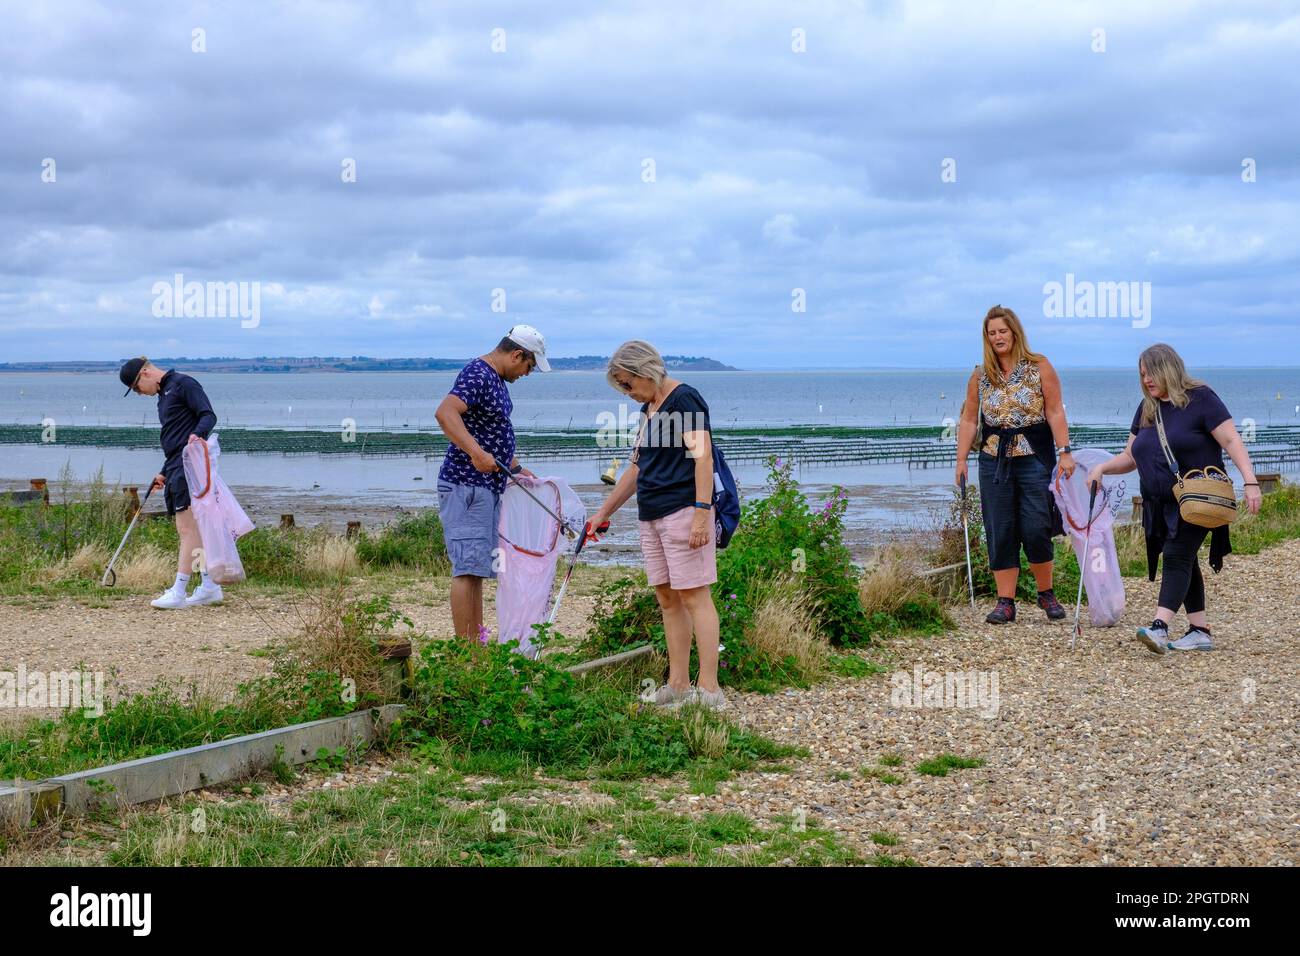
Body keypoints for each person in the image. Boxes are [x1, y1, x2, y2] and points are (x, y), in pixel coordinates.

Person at [1087, 344, 1261, 653]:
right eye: (1142, 375)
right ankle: (1199, 630)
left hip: (1198, 498)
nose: (1147, 380)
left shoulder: (1201, 399)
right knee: (1185, 558)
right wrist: (1102, 468)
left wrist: (1250, 481)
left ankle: (1160, 627)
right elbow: (1130, 456)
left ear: (1168, 368)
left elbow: (1232, 440)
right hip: (1159, 504)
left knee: (1178, 555)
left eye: (1151, 373)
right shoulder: (1147, 409)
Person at [588, 340, 725, 710]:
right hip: (651, 513)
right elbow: (636, 468)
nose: (626, 392)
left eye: (627, 384)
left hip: (683, 509)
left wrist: (701, 512)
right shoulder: (650, 408)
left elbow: (703, 459)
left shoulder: (684, 400)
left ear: (645, 371)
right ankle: (677, 684)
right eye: (621, 386)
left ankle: (709, 691)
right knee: (667, 599)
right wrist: (603, 512)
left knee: (695, 596)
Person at [955, 305, 1075, 624]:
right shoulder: (980, 375)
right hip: (993, 458)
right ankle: (1005, 601)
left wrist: (1065, 451)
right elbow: (968, 419)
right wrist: (961, 459)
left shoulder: (1039, 366)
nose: (998, 337)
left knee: (1037, 525)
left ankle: (1046, 594)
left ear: (1015, 333)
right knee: (1000, 529)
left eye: (1002, 331)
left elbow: (1055, 411)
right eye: (992, 333)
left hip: (1034, 456)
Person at [434, 325, 549, 639]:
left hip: (485, 486)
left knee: (477, 571)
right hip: (466, 486)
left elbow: (490, 430)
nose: (528, 373)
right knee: (467, 571)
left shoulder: (494, 379)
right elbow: (445, 413)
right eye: (529, 366)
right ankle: (467, 650)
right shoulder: (478, 373)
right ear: (516, 354)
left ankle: (477, 643)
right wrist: (475, 453)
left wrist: (516, 466)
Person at [119, 357, 223, 608]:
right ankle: (209, 586)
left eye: (135, 387)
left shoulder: (183, 384)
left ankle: (179, 590)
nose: (138, 393)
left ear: (145, 372)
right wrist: (164, 471)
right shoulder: (163, 395)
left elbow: (208, 416)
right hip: (176, 466)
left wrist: (196, 437)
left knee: (187, 529)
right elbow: (174, 438)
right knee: (193, 531)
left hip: (189, 465)